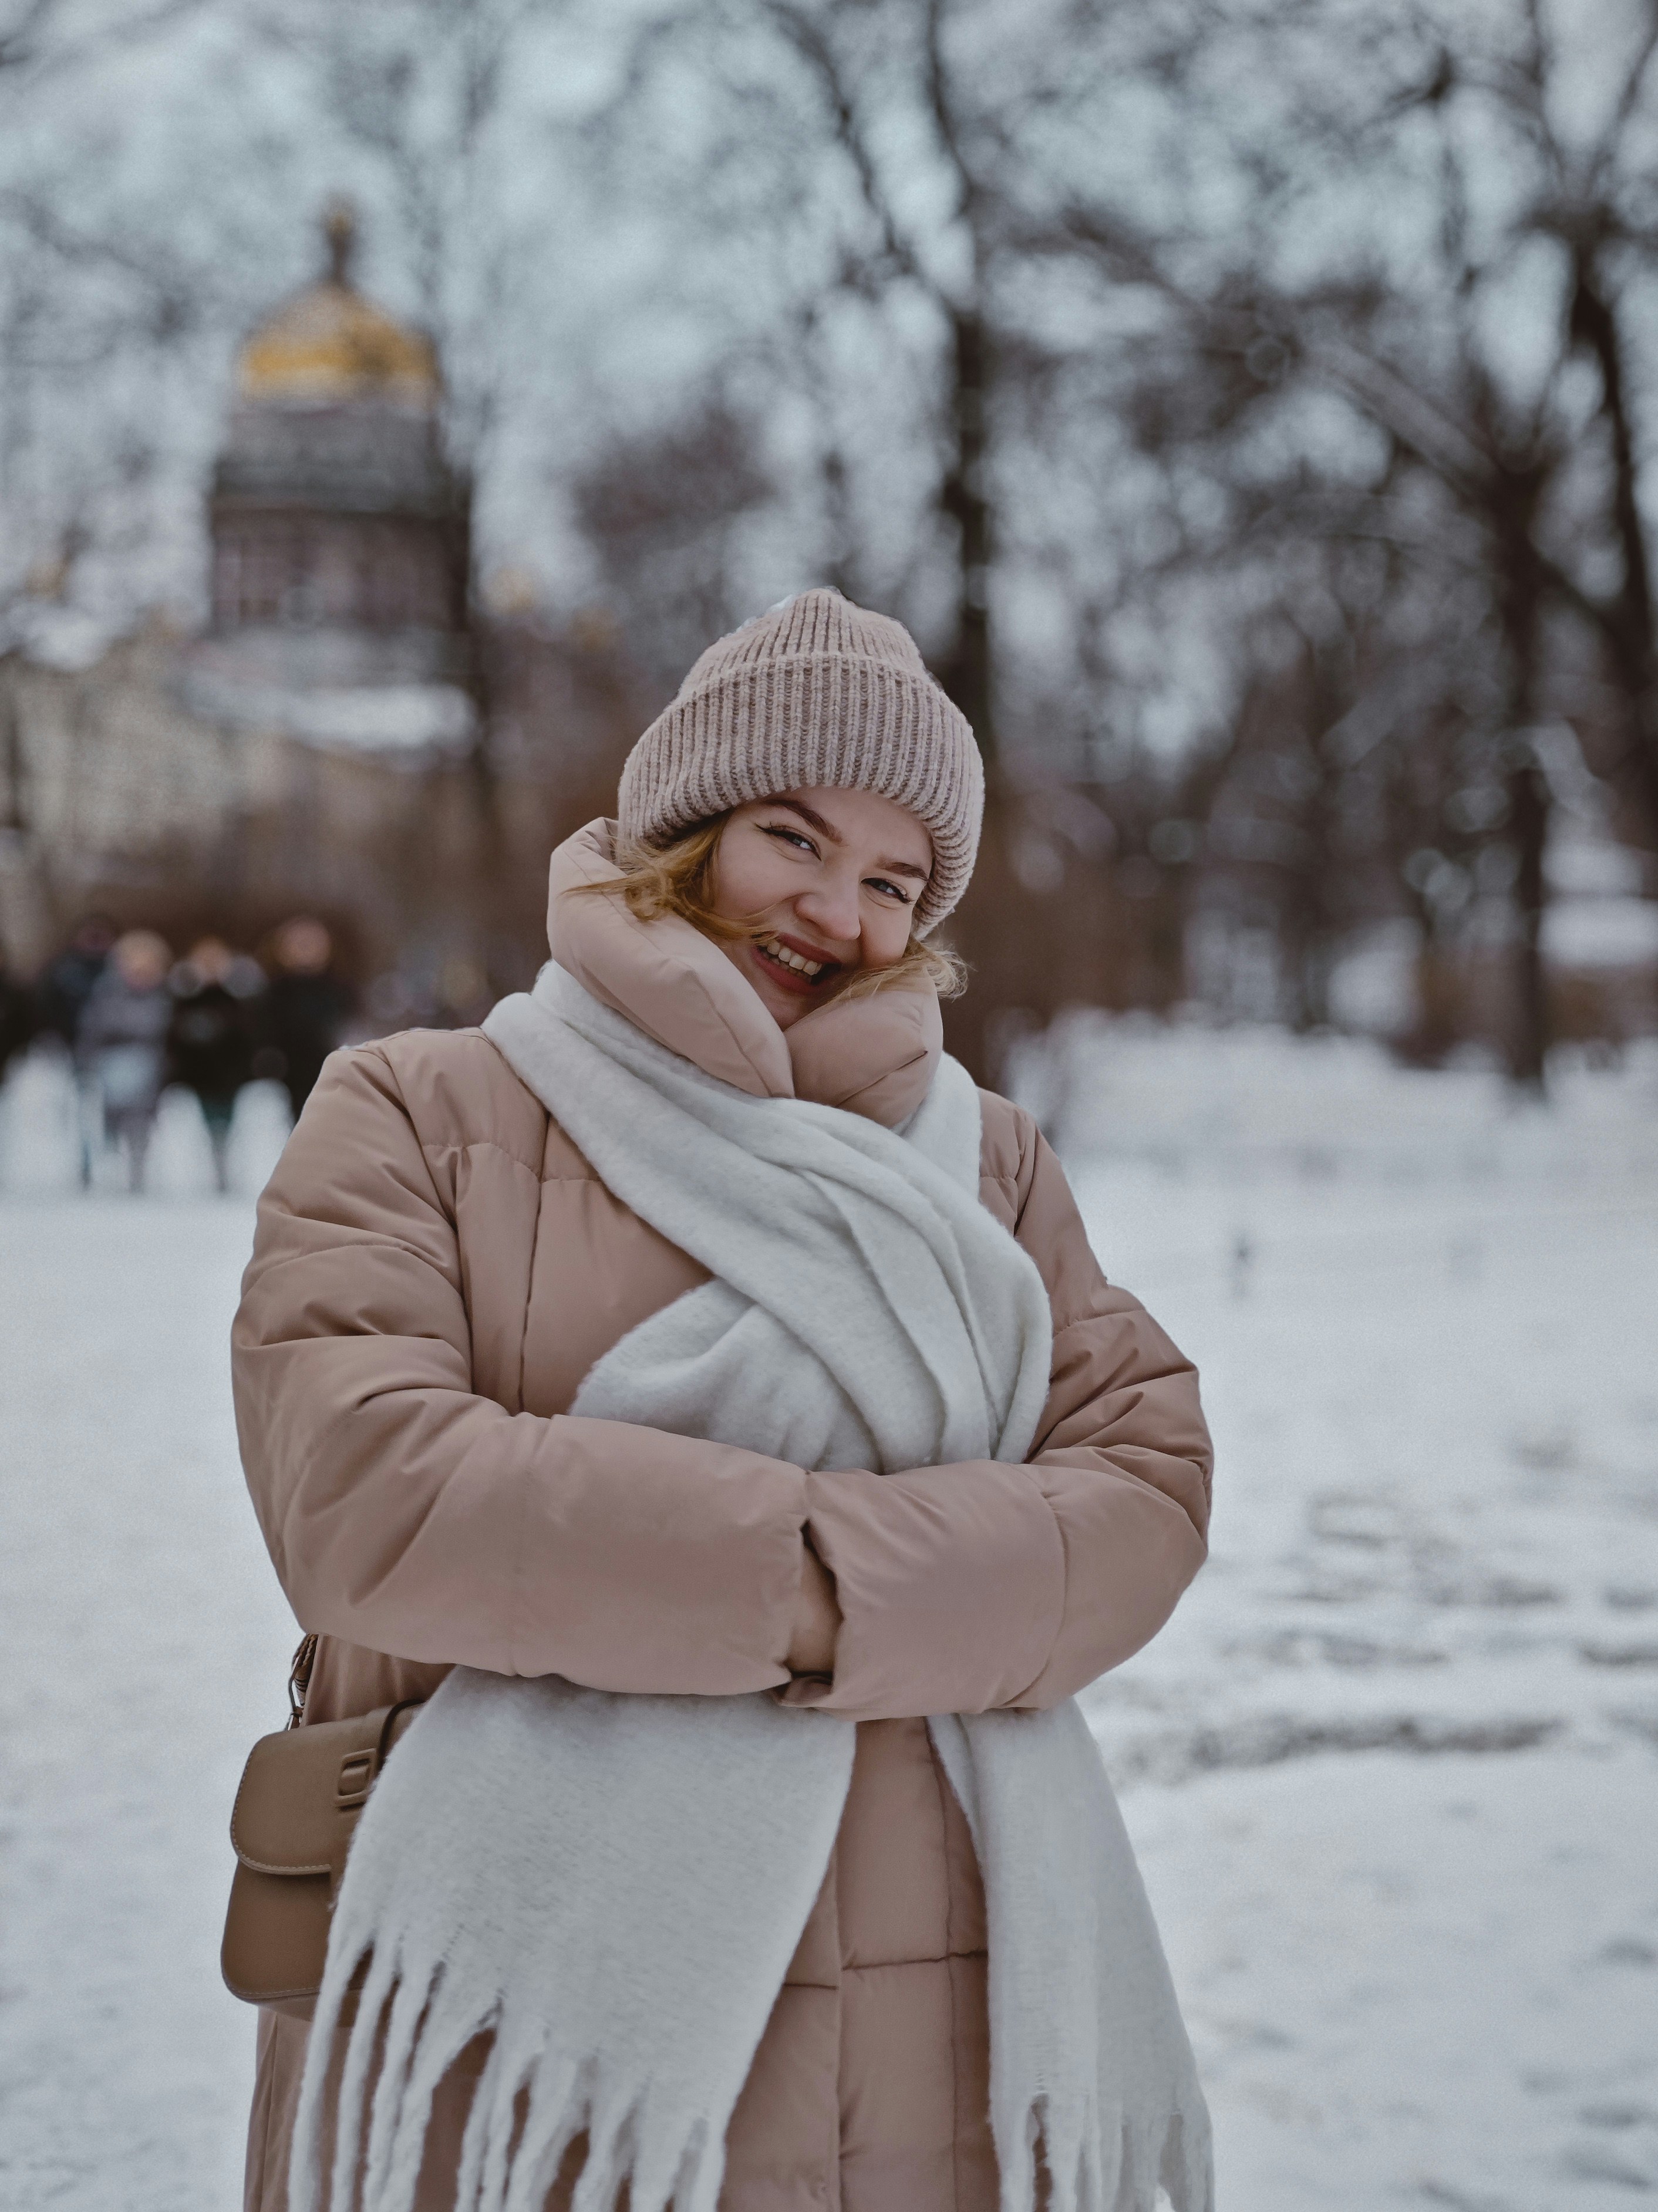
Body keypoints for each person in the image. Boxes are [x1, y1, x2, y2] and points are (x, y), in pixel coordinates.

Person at [232, 591, 1215, 2212]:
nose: (840, 911)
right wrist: (847, 1591)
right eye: (795, 838)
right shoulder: (421, 1114)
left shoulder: (985, 1166)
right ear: (683, 835)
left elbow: (1146, 1489)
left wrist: (769, 1580)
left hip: (934, 2020)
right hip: (514, 2037)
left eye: (896, 879)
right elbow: (372, 1494)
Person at [78, 928, 172, 1192]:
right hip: (111, 1065)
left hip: (149, 1067)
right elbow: (92, 1029)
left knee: (141, 1123)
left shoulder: (165, 996)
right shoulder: (106, 993)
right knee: (109, 1121)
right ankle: (107, 1170)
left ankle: (137, 1172)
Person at [167, 937, 263, 1192]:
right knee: (207, 1124)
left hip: (230, 1075)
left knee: (228, 1126)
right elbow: (175, 1038)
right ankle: (212, 1170)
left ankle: (226, 1171)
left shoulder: (238, 1000)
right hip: (201, 1075)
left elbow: (249, 1037)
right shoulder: (186, 999)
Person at [261, 916, 352, 1126]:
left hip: (330, 1078)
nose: (306, 949)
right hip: (286, 1082)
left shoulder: (340, 991)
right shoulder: (273, 992)